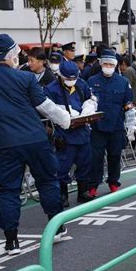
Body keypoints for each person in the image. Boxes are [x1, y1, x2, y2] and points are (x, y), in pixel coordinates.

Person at [0, 34, 71, 255]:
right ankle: (56, 227)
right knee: (47, 182)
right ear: (11, 55)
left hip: (6, 144)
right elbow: (44, 105)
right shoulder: (26, 78)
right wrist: (65, 120)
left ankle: (11, 241)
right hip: (35, 138)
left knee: (9, 191)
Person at [44, 61, 97, 207]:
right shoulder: (51, 89)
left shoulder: (82, 84)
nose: (71, 81)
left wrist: (89, 107)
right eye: (68, 79)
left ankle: (83, 192)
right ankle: (62, 195)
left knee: (85, 162)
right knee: (62, 166)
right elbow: (48, 108)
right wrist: (64, 113)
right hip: (64, 134)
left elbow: (91, 98)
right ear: (61, 76)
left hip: (82, 132)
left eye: (73, 78)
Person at [87, 49, 135, 197]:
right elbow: (87, 104)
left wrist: (131, 126)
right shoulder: (91, 81)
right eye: (105, 63)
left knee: (115, 155)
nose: (108, 66)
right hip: (97, 128)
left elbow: (129, 106)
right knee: (96, 158)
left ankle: (113, 182)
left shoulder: (123, 82)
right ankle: (93, 185)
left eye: (111, 64)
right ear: (101, 64)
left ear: (115, 65)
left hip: (116, 127)